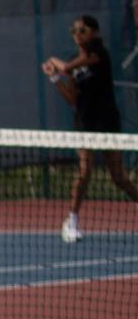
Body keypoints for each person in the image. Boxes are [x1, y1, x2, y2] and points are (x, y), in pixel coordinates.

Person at [41, 14, 138, 243]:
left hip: (107, 124)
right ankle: (71, 221)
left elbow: (65, 67)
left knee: (119, 178)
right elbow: (73, 98)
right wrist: (55, 80)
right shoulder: (75, 64)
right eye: (74, 31)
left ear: (94, 32)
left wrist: (55, 62)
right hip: (85, 124)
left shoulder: (98, 55)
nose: (77, 34)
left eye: (82, 30)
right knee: (85, 172)